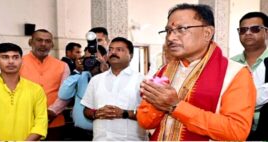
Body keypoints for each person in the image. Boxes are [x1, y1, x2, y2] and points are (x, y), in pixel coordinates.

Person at [137, 3, 256, 141]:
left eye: (181, 29)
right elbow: (145, 122)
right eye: (169, 31)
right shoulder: (164, 71)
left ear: (207, 33)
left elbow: (236, 131)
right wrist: (158, 105)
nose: (170, 38)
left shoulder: (235, 74)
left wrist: (176, 106)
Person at [0, 43, 47, 140]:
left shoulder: (36, 89)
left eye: (15, 57)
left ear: (21, 60)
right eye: (5, 57)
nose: (11, 61)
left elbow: (41, 122)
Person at [81, 37, 148, 141]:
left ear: (131, 55)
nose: (113, 52)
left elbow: (149, 113)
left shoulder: (142, 81)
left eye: (119, 50)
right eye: (111, 49)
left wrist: (125, 113)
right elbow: (86, 110)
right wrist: (96, 113)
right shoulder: (96, 80)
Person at [48, 45, 107, 140]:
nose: (90, 61)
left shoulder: (110, 76)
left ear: (104, 57)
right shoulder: (81, 75)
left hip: (104, 133)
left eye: (93, 58)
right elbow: (63, 94)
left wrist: (104, 71)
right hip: (81, 133)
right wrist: (77, 72)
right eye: (86, 58)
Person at [20, 29, 70, 140]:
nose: (43, 44)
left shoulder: (63, 66)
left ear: (52, 44)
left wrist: (52, 111)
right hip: (25, 122)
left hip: (54, 122)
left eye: (47, 41)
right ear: (30, 42)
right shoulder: (18, 63)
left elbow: (66, 93)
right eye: (39, 40)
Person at [231, 12, 268, 140]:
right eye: (243, 30)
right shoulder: (229, 64)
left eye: (255, 29)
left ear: (267, 32)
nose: (248, 33)